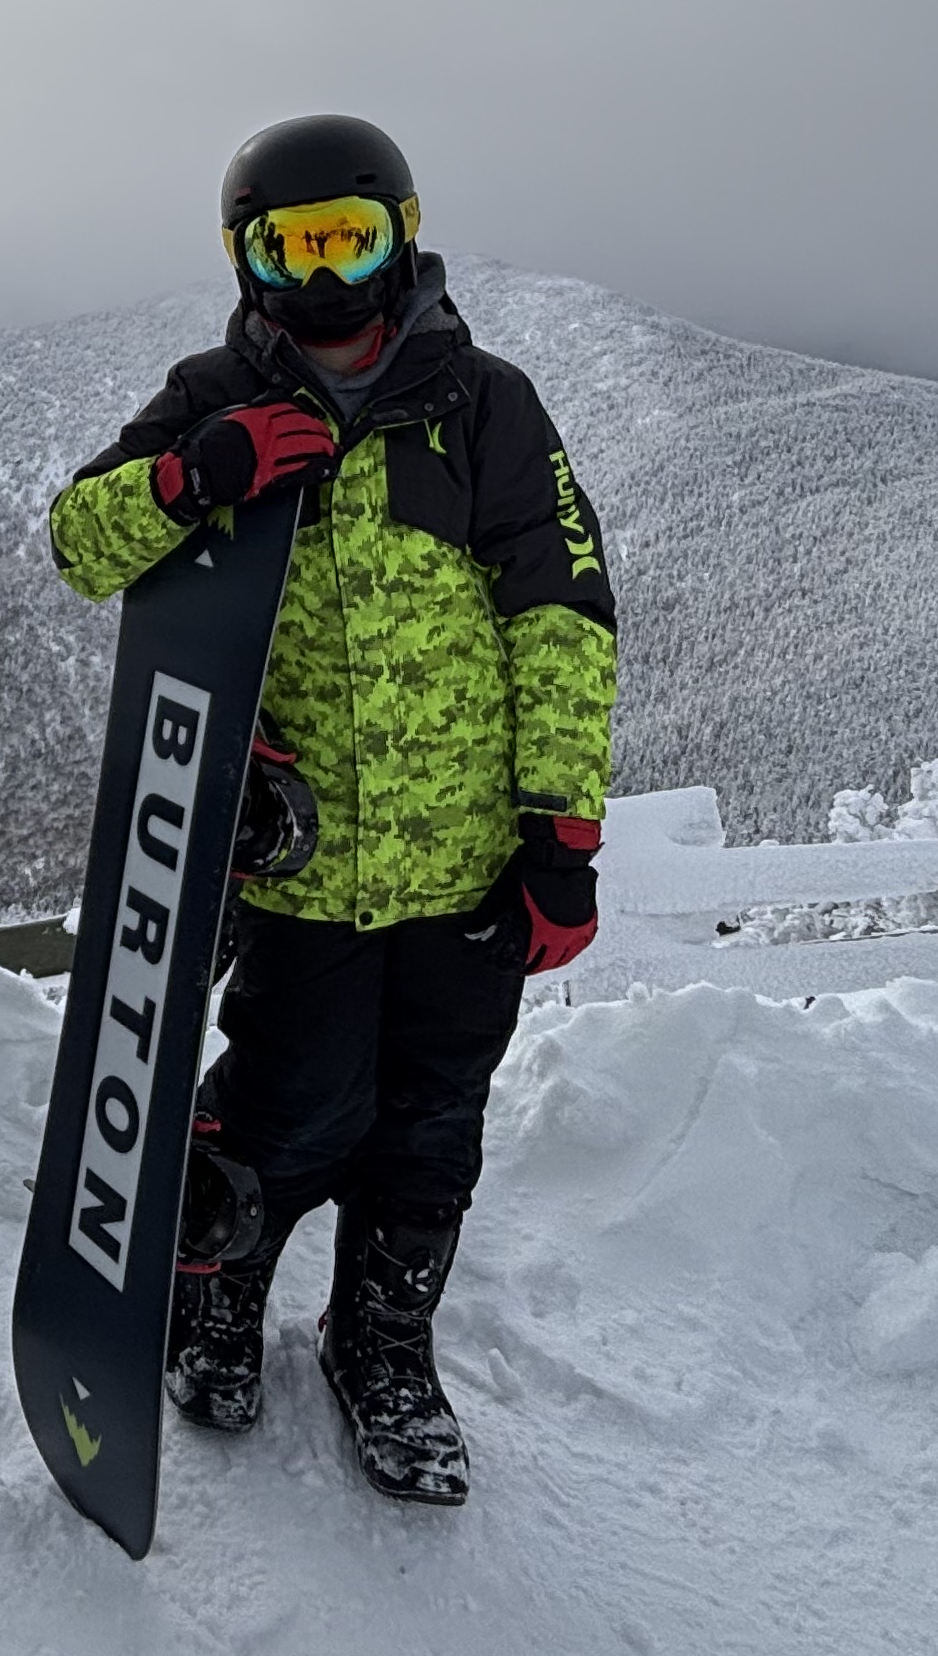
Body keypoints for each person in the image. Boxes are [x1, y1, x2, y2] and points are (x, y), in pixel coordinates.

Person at [43, 113, 617, 1506]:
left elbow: (561, 619)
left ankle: (383, 1345)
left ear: (401, 238)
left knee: (431, 1128)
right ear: (243, 258)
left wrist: (562, 835)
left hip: (469, 869)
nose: (321, 277)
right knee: (292, 1107)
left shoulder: (483, 404)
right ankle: (221, 1296)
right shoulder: (208, 392)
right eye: (286, 247)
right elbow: (81, 541)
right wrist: (202, 473)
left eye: (347, 240)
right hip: (298, 872)